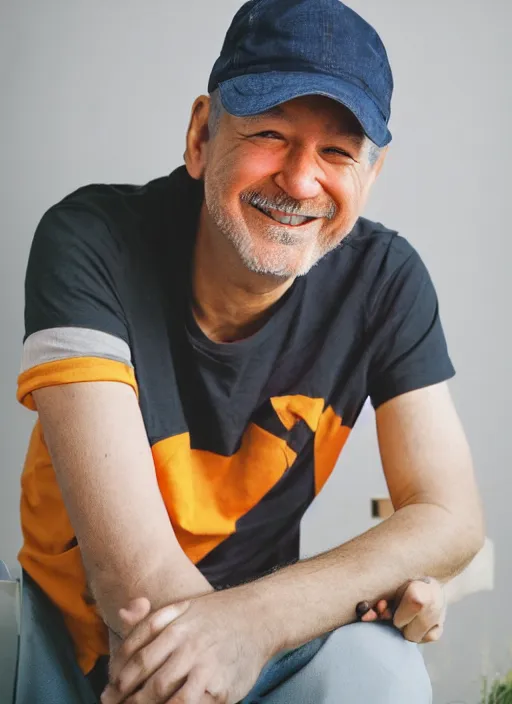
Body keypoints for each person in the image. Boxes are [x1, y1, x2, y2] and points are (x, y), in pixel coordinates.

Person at [16, 0, 484, 702]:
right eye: (270, 133)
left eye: (337, 152)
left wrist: (255, 621)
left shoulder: (386, 280)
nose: (300, 181)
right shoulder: (90, 241)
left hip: (263, 644)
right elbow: (134, 584)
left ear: (371, 173)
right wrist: (369, 574)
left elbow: (450, 519)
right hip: (69, 631)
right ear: (202, 135)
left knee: (385, 674)